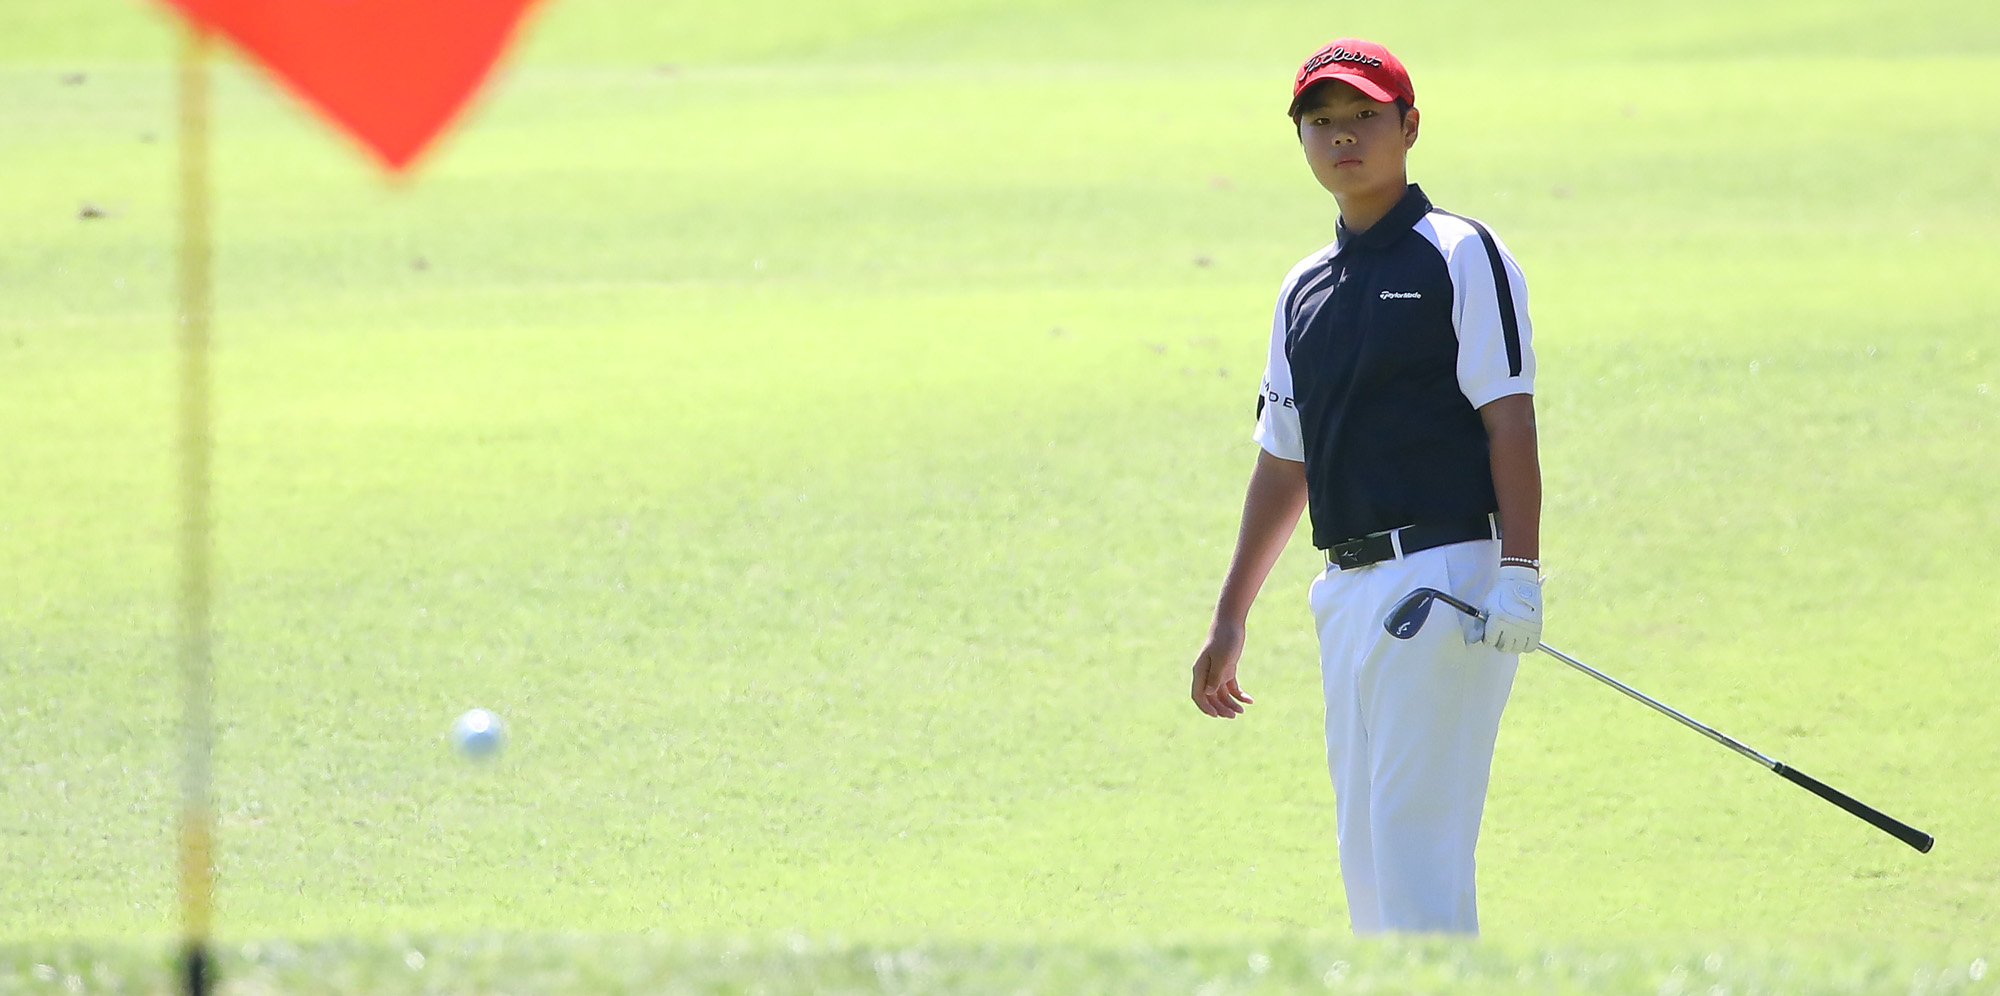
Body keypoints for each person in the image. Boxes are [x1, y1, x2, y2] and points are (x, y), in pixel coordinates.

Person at [1187, 37, 1544, 935]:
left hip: (1446, 582)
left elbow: (1510, 416)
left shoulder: (1461, 252)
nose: (1343, 137)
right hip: (1343, 591)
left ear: (1409, 126)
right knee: (1369, 859)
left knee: (1415, 844)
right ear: (1301, 140)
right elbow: (1284, 459)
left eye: (1364, 118)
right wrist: (1232, 615)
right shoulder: (1302, 286)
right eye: (1322, 122)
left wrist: (1522, 572)